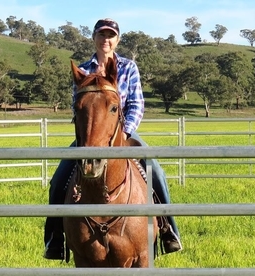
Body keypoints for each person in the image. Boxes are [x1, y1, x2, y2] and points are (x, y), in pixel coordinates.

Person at [43, 18, 182, 260]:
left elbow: (137, 104)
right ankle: (55, 238)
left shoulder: (128, 68)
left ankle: (168, 229)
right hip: (89, 135)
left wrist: (125, 131)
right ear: (94, 38)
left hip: (121, 132)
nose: (106, 39)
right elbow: (77, 106)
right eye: (101, 35)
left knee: (156, 171)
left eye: (111, 35)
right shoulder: (84, 70)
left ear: (117, 40)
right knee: (58, 180)